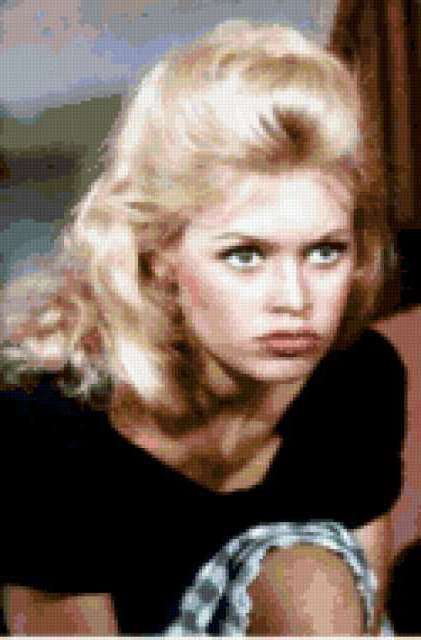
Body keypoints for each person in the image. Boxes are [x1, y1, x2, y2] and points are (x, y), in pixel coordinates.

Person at [0, 18, 406, 635]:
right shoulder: (44, 421)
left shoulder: (357, 378)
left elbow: (361, 614)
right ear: (159, 254)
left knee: (308, 575)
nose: (294, 299)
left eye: (325, 251)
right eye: (244, 255)